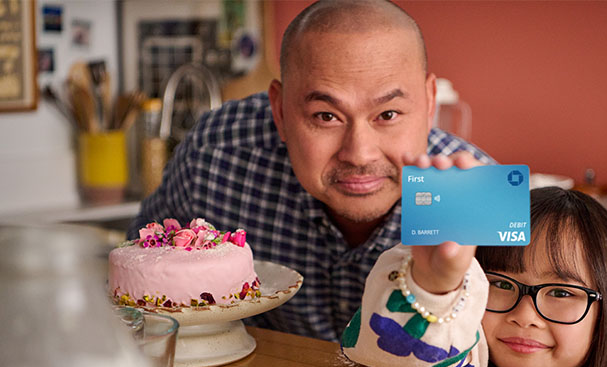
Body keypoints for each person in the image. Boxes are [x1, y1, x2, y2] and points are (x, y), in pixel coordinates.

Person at [127, 0, 493, 342]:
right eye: (326, 116)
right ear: (280, 112)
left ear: (430, 105)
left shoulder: (479, 201)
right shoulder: (216, 155)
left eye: (388, 115)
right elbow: (134, 285)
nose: (359, 153)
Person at [342, 182, 607, 367]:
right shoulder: (455, 359)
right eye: (502, 285)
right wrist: (431, 287)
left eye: (561, 293)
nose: (525, 316)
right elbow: (397, 355)